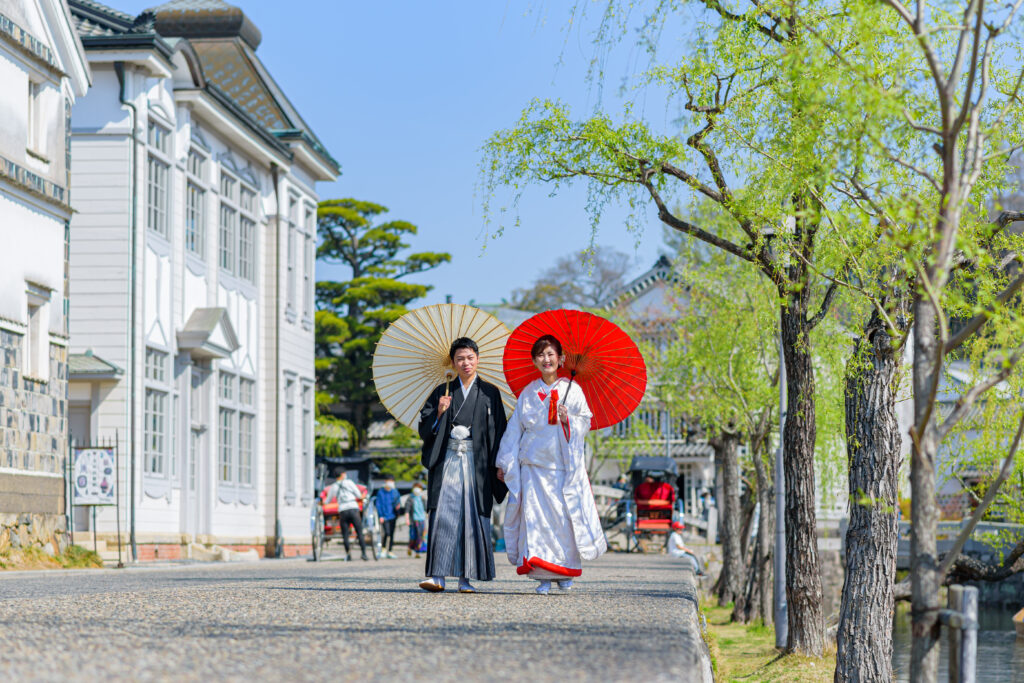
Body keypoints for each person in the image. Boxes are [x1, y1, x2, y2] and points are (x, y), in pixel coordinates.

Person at [496, 334, 607, 595]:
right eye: (541, 355)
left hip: (561, 468)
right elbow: (515, 430)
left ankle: (565, 570)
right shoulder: (528, 392)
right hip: (533, 468)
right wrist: (504, 462)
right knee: (534, 520)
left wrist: (570, 420)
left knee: (563, 521)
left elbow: (585, 422)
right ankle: (542, 575)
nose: (546, 359)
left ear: (561, 359)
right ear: (534, 360)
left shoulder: (573, 390)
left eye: (550, 354)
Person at [417, 337, 508, 593]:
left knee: (470, 516)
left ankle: (466, 579)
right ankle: (438, 576)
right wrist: (438, 413)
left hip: (477, 462)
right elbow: (424, 429)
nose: (465, 363)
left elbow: (499, 431)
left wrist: (501, 464)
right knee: (443, 515)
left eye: (469, 357)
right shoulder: (441, 392)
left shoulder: (490, 392)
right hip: (447, 459)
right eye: (460, 359)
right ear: (453, 362)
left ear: (477, 359)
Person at [324, 470, 368, 561]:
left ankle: (348, 555)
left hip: (342, 510)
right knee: (359, 531)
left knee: (345, 534)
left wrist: (321, 503)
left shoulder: (333, 486)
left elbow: (327, 501)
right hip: (353, 508)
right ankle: (364, 553)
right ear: (343, 474)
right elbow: (358, 495)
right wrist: (362, 496)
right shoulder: (349, 483)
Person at [375, 475, 402, 559]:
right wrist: (381, 515)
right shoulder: (381, 492)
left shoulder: (395, 491)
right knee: (387, 532)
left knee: (392, 533)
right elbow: (378, 504)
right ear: (385, 481)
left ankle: (390, 550)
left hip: (393, 515)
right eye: (389, 481)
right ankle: (383, 549)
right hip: (384, 516)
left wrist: (398, 506)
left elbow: (398, 502)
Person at [405, 482, 427, 556]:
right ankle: (410, 548)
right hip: (413, 520)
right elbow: (407, 510)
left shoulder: (422, 498)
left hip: (421, 519)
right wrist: (407, 519)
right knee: (413, 535)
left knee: (420, 536)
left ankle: (418, 552)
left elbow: (426, 509)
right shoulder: (410, 498)